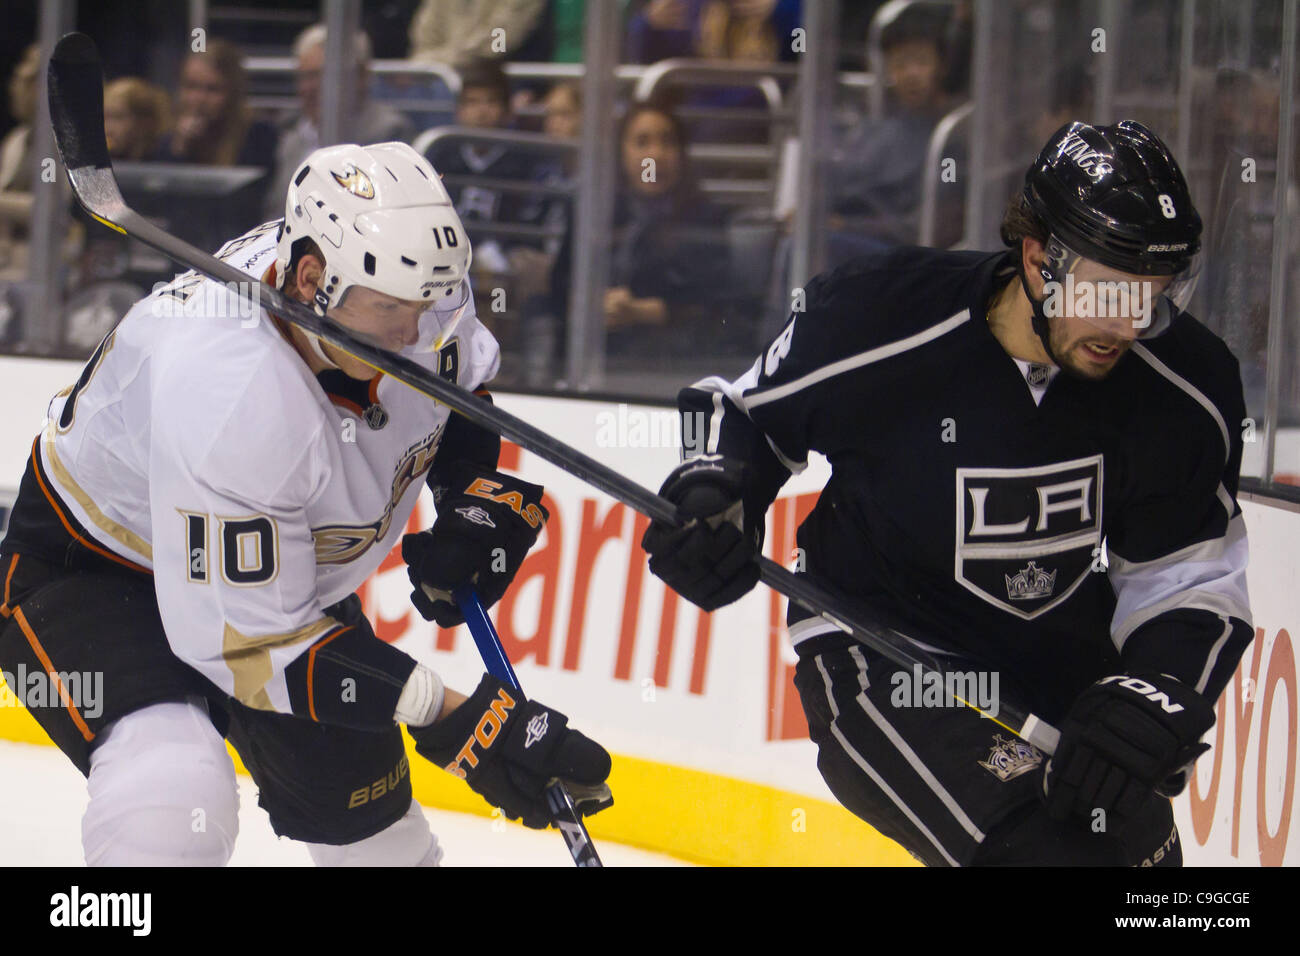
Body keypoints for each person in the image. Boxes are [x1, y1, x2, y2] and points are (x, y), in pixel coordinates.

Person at [640, 121, 1253, 866]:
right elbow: (741, 414)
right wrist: (714, 498)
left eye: (1152, 296)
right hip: (889, 655)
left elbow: (1185, 576)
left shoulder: (1182, 384)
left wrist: (1149, 692)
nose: (1129, 324)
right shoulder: (879, 317)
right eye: (1110, 292)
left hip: (1056, 671)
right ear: (1038, 258)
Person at [0, 141, 612, 866]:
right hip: (100, 567)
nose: (413, 332)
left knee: (379, 844)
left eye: (427, 306)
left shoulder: (414, 279)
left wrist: (470, 498)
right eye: (390, 310)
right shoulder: (228, 391)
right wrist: (464, 722)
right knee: (172, 796)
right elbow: (256, 652)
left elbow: (457, 385)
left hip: (279, 574)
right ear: (311, 279)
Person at [264, 24, 415, 220]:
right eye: (302, 77)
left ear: (360, 77)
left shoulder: (390, 132)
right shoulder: (288, 133)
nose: (306, 88)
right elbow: (272, 211)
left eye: (318, 76)